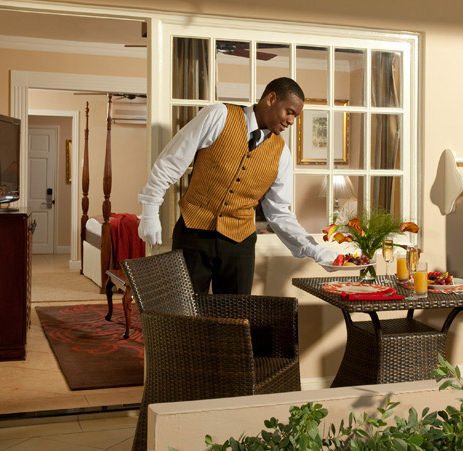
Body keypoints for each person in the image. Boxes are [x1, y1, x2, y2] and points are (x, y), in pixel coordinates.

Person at [137, 77, 339, 294]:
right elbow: (172, 162)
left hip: (239, 244)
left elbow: (279, 212)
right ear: (271, 99)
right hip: (193, 234)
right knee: (184, 309)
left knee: (235, 312)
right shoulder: (219, 115)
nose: (291, 121)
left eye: (295, 116)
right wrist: (150, 211)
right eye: (289, 112)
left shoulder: (282, 154)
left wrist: (316, 250)